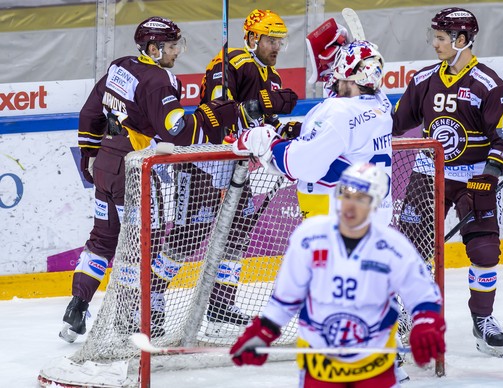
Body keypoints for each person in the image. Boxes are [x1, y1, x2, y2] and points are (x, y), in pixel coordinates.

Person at [60, 16, 250, 343]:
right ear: (154, 48)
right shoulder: (160, 80)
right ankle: (133, 317)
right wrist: (217, 114)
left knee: (103, 238)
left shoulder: (121, 66)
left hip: (107, 161)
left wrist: (89, 152)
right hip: (134, 169)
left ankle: (76, 307)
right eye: (173, 45)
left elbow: (91, 111)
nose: (178, 51)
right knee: (143, 243)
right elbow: (178, 133)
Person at [229, 162, 446, 387]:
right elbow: (286, 298)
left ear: (376, 204)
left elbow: (423, 296)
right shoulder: (309, 238)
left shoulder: (393, 248)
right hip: (320, 370)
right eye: (346, 194)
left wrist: (426, 323)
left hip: (375, 369)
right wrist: (263, 330)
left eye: (361, 198)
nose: (350, 205)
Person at [391, 7, 503, 358]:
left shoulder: (488, 85)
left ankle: (483, 319)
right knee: (410, 252)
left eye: (442, 38)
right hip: (428, 176)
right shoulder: (424, 80)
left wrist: (489, 176)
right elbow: (397, 122)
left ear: (462, 41)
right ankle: (404, 316)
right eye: (436, 37)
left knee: (485, 251)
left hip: (472, 181)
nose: (435, 44)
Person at [195, 9, 298, 335]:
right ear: (252, 37)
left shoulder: (272, 75)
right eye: (271, 40)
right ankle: (151, 307)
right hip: (207, 161)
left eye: (280, 41)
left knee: (236, 236)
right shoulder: (232, 62)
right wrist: (265, 102)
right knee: (187, 240)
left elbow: (262, 121)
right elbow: (217, 111)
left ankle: (221, 307)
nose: (277, 47)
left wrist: (284, 128)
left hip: (239, 167)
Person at [233, 39, 393, 221]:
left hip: (339, 224)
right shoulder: (382, 104)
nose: (334, 75)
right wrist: (354, 55)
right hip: (376, 219)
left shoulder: (338, 112)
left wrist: (268, 141)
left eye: (338, 69)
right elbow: (352, 95)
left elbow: (300, 164)